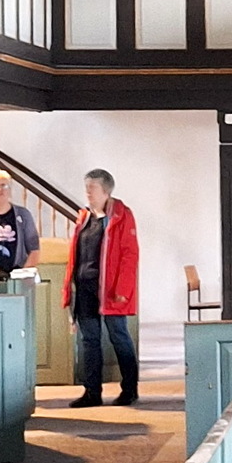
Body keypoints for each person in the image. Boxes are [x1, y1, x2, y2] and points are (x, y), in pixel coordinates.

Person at [63, 167, 140, 408]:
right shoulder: (84, 217)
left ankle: (130, 390)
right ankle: (92, 392)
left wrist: (123, 289)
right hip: (84, 288)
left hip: (110, 289)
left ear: (106, 191)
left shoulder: (122, 215)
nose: (88, 192)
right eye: (86, 187)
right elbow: (76, 255)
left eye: (92, 187)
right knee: (90, 340)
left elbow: (130, 255)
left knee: (119, 337)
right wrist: (69, 288)